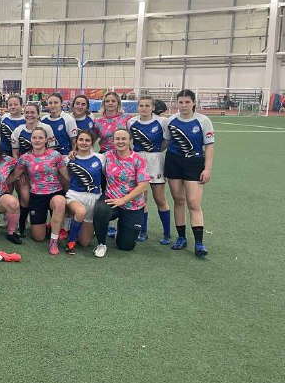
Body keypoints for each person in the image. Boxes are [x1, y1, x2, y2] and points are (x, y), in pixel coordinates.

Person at [163, 89, 214, 257]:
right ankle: (181, 238)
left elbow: (209, 146)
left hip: (194, 163)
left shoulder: (203, 121)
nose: (183, 105)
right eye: (180, 102)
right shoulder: (170, 121)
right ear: (176, 103)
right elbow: (166, 143)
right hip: (173, 162)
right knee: (178, 200)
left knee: (193, 202)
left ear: (193, 103)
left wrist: (207, 168)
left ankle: (199, 243)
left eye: (187, 102)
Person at [92, 128, 150, 257]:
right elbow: (88, 159)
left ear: (130, 141)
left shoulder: (139, 159)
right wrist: (73, 153)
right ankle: (101, 244)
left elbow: (143, 186)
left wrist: (123, 200)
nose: (120, 141)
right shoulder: (106, 156)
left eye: (124, 139)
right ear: (113, 141)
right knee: (100, 210)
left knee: (125, 246)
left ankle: (122, 230)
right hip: (111, 199)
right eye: (117, 139)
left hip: (132, 205)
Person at [15, 127, 70, 255]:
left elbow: (67, 176)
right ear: (30, 139)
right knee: (39, 238)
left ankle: (53, 242)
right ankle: (51, 225)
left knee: (60, 202)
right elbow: (14, 175)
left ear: (46, 140)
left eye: (40, 138)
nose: (37, 140)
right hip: (37, 196)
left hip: (55, 192)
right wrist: (4, 183)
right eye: (34, 137)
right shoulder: (25, 158)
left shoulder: (55, 155)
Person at [127, 95, 171, 244]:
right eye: (141, 105)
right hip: (138, 161)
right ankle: (143, 231)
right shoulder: (131, 122)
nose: (144, 108)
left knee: (160, 199)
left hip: (155, 161)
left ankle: (167, 233)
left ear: (153, 107)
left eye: (147, 106)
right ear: (137, 107)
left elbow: (166, 141)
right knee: (141, 198)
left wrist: (155, 152)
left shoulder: (161, 122)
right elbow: (129, 141)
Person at [10, 102, 55, 236]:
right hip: (25, 170)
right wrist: (22, 171)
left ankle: (51, 224)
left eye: (33, 112)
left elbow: (51, 151)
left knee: (49, 197)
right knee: (25, 197)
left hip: (43, 171)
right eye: (27, 112)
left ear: (38, 114)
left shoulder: (46, 128)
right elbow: (15, 153)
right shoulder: (18, 130)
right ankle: (22, 224)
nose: (30, 115)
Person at [64, 130, 104, 254]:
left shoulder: (100, 158)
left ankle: (74, 225)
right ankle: (70, 243)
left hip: (93, 198)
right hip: (74, 196)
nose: (84, 143)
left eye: (87, 140)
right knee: (80, 212)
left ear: (92, 143)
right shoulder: (68, 159)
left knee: (84, 243)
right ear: (76, 141)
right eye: (81, 139)